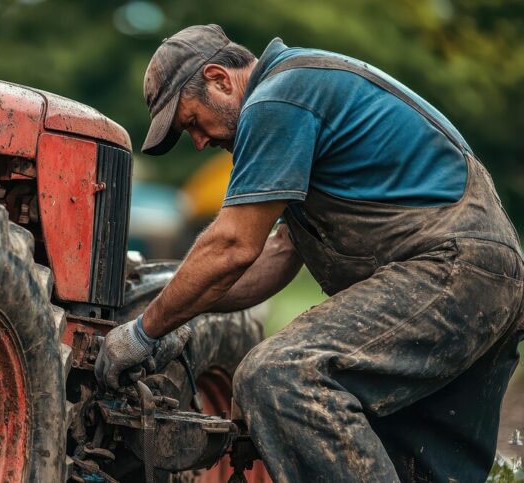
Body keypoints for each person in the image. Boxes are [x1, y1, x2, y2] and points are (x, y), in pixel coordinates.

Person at [95, 24, 524, 482]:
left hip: (452, 270)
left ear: (220, 79)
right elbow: (275, 255)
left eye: (192, 122)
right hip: (485, 283)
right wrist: (180, 311)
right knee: (416, 467)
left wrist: (142, 332)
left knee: (280, 377)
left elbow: (234, 246)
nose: (199, 142)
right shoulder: (306, 93)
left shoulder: (278, 98)